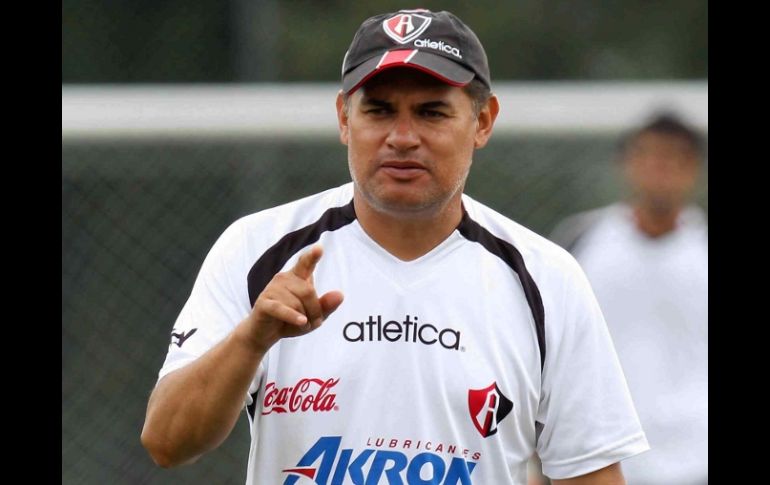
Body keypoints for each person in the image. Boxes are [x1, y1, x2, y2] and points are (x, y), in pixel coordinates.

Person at [141, 9, 649, 484]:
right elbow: (167, 442)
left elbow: (591, 471)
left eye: (431, 113)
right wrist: (250, 341)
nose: (402, 137)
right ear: (344, 118)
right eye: (379, 111)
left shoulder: (546, 276)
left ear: (484, 121)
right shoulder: (259, 249)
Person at [550, 113, 708, 484]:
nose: (660, 167)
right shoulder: (579, 239)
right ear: (626, 164)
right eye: (649, 155)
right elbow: (548, 347)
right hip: (599, 455)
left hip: (697, 456)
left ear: (695, 168)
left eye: (674, 158)